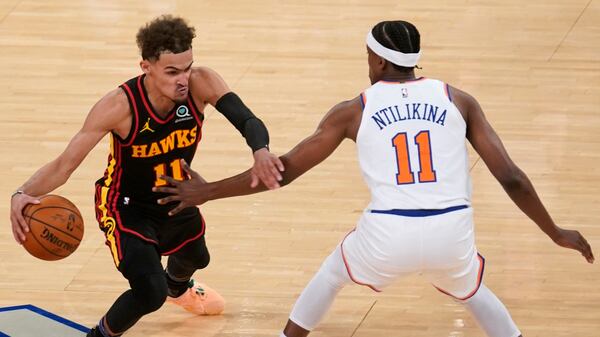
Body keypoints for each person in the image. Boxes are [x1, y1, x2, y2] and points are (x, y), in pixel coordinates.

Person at [154, 20, 595, 337]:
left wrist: (207, 192)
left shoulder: (354, 110)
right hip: (451, 229)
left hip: (387, 232)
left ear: (379, 61)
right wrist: (554, 232)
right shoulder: (459, 100)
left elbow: (281, 173)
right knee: (470, 287)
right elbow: (513, 178)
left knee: (331, 276)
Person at [9, 15, 285, 337]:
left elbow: (247, 119)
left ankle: (177, 289)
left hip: (176, 194)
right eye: (172, 72)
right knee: (148, 293)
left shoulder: (201, 83)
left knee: (198, 256)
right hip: (126, 207)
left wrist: (260, 149)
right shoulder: (119, 106)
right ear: (146, 67)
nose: (183, 79)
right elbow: (65, 165)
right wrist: (21, 193)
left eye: (187, 68)